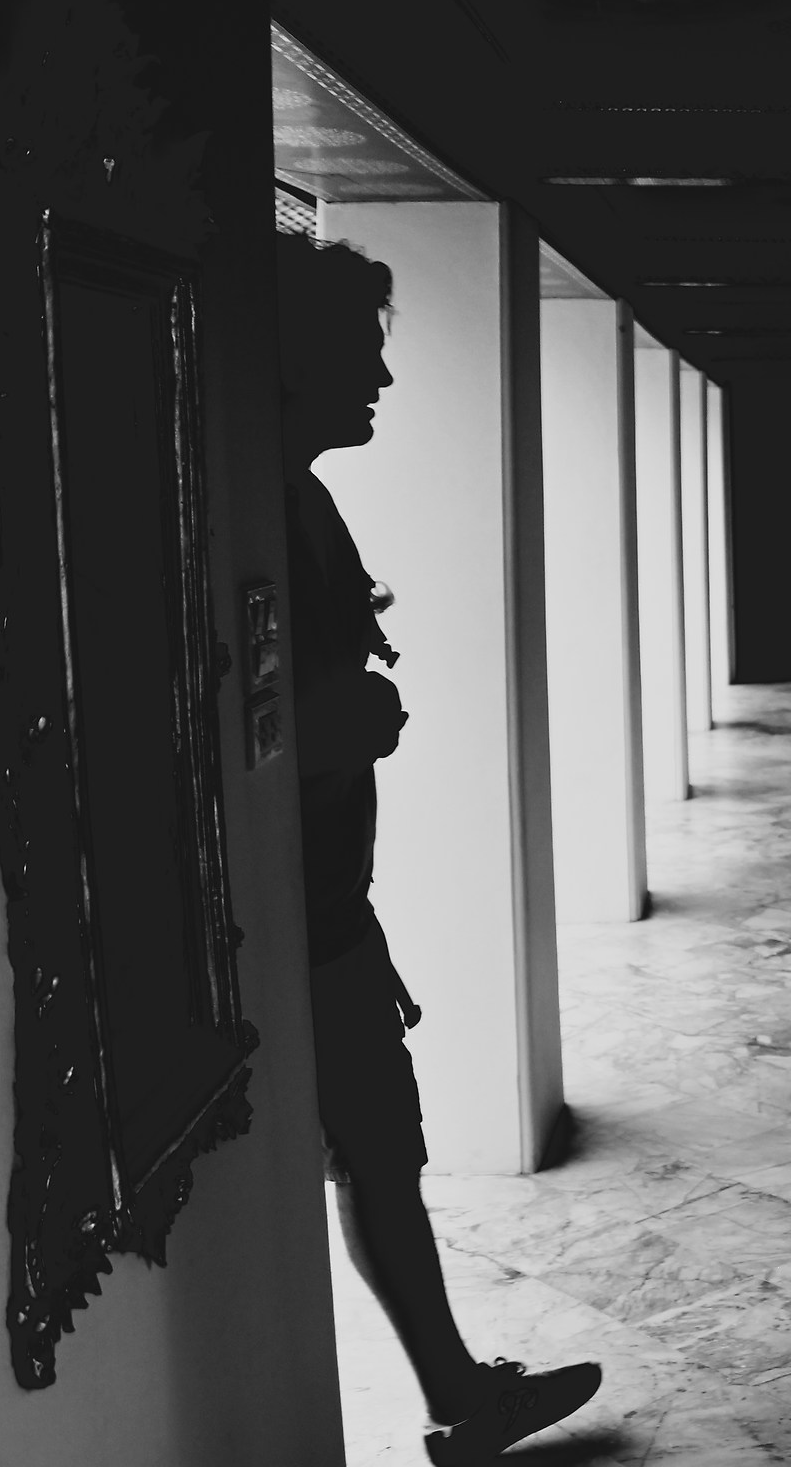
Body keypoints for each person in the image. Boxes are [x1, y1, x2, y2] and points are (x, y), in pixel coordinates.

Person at [277, 232, 601, 1466]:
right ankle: (456, 1392)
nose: (384, 381)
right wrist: (337, 722)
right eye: (361, 354)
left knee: (383, 1150)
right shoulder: (236, 505)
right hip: (276, 909)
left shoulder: (301, 500)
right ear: (293, 354)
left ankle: (460, 1391)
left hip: (324, 898)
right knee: (369, 1149)